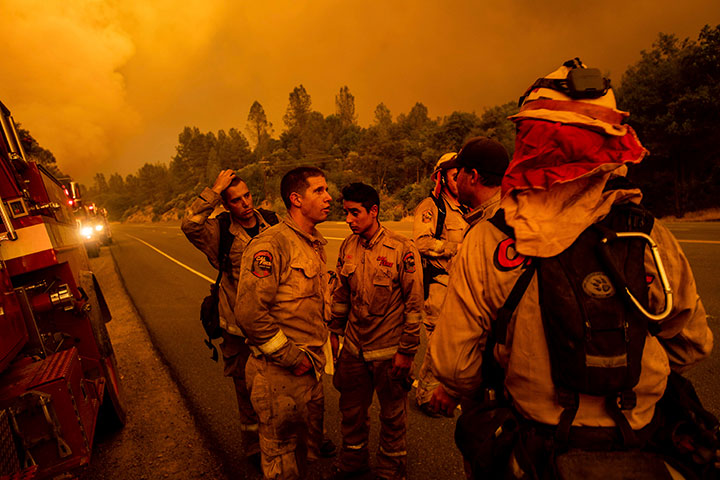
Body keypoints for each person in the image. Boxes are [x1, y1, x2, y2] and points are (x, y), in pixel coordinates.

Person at [430, 60, 713, 478]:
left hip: (533, 452)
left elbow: (455, 366)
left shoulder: (491, 239)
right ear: (611, 142)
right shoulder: (647, 233)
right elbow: (691, 342)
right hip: (643, 444)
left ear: (530, 138)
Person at [234, 166, 334, 480]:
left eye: (326, 189)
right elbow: (250, 314)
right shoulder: (272, 245)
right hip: (279, 375)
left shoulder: (313, 243)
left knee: (304, 458)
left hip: (309, 370)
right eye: (318, 191)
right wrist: (292, 358)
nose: (328, 197)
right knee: (281, 460)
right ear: (296, 199)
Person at [328, 182, 423, 480]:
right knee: (351, 413)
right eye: (346, 212)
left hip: (389, 352)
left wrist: (406, 352)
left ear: (374, 211)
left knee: (393, 416)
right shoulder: (348, 246)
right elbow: (341, 295)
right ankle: (353, 464)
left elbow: (415, 304)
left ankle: (391, 470)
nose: (348, 219)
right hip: (354, 350)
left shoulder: (402, 250)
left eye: (355, 213)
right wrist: (335, 333)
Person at [181, 169, 276, 467]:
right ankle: (254, 450)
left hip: (277, 325)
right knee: (247, 393)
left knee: (287, 388)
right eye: (236, 200)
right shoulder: (218, 232)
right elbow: (190, 224)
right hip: (238, 330)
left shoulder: (272, 224)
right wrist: (215, 189)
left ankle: (305, 437)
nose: (246, 203)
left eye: (247, 196)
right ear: (226, 205)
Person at [412, 153, 468, 415]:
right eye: (455, 176)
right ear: (441, 178)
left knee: (456, 344)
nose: (460, 181)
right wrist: (457, 248)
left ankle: (444, 394)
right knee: (437, 345)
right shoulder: (432, 207)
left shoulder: (467, 208)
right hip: (439, 286)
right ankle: (425, 395)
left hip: (462, 285)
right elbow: (422, 243)